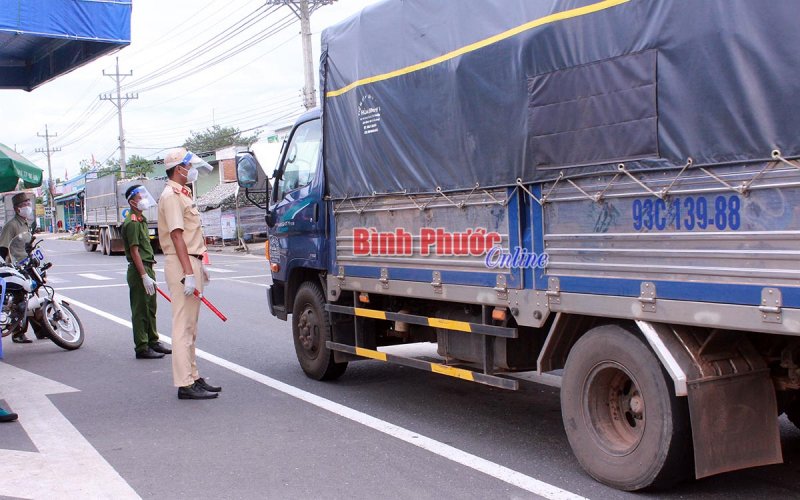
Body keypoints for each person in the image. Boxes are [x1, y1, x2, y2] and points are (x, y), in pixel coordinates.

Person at [158, 148, 219, 400]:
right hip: (181, 264)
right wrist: (188, 272)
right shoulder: (171, 196)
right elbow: (176, 235)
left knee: (190, 326)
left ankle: (193, 376)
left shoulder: (182, 193)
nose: (190, 169)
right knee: (183, 326)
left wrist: (198, 264)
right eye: (187, 165)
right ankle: (184, 383)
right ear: (178, 169)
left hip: (190, 261)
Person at [122, 184, 172, 360]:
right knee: (140, 310)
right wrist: (144, 276)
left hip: (148, 268)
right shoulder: (132, 223)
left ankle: (153, 340)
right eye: (140, 197)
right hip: (139, 271)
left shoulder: (141, 220)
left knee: (150, 308)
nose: (144, 199)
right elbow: (135, 251)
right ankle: (142, 347)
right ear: (132, 201)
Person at [0, 192, 34, 343]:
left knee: (34, 296)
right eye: (23, 205)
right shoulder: (12, 225)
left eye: (28, 203)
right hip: (16, 266)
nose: (27, 206)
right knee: (22, 299)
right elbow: (2, 248)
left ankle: (41, 328)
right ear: (16, 209)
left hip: (28, 263)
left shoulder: (26, 223)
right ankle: (18, 332)